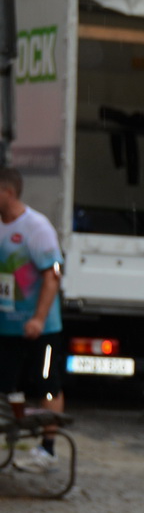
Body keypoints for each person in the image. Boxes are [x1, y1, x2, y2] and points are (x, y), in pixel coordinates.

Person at [0, 165, 66, 474]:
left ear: (8, 193)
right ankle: (10, 443)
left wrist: (39, 318)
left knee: (46, 386)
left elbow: (52, 276)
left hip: (40, 328)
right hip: (5, 326)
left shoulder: (36, 227)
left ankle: (48, 449)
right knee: (6, 386)